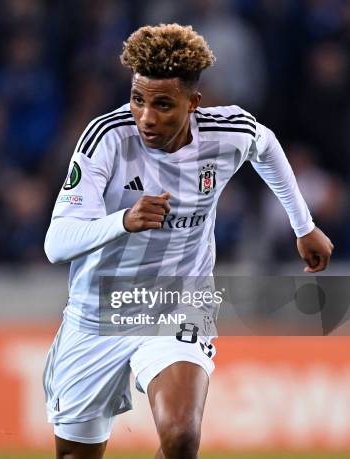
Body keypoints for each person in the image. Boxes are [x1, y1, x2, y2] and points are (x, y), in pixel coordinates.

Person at [43, 23, 333, 459]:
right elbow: (56, 244)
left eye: (162, 104)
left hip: (178, 304)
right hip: (98, 310)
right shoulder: (106, 138)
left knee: (180, 437)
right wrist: (123, 220)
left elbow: (266, 145)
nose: (146, 117)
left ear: (193, 103)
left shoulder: (226, 132)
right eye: (138, 100)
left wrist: (303, 225)